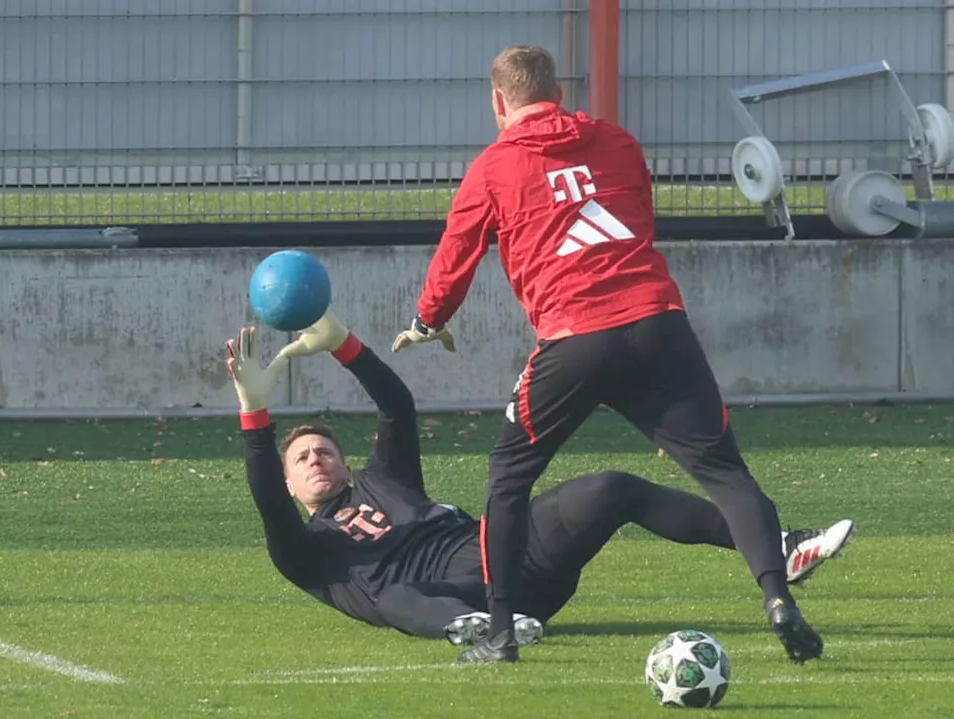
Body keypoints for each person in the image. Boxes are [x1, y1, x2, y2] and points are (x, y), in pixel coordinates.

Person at [389, 44, 829, 664]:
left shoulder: (494, 167)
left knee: (508, 481)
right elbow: (639, 222)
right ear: (559, 91)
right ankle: (778, 598)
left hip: (573, 337)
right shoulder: (618, 142)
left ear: (497, 102)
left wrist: (428, 319)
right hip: (657, 325)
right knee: (727, 474)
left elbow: (455, 256)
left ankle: (498, 633)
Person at [224, 312, 856, 645]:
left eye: (323, 450)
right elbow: (265, 503)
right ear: (287, 485)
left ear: (345, 460)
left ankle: (776, 548)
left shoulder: (383, 479)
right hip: (447, 600)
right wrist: (255, 413)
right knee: (392, 597)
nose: (315, 460)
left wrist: (342, 342)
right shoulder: (304, 552)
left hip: (509, 561)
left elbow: (398, 407)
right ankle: (466, 629)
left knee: (611, 487)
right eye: (301, 459)